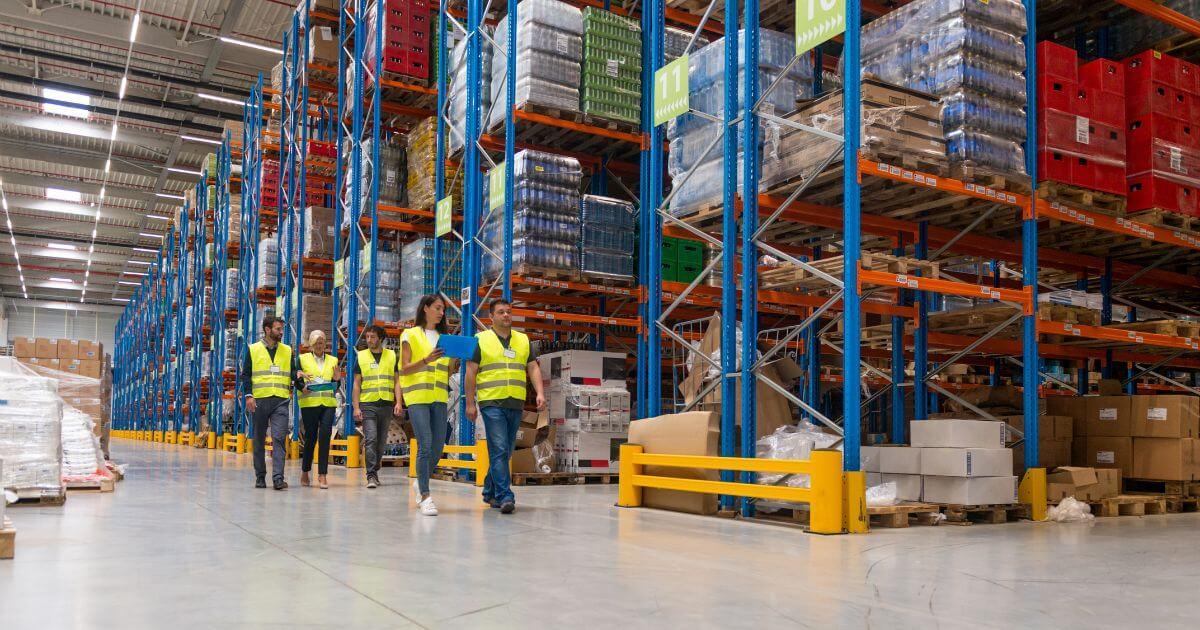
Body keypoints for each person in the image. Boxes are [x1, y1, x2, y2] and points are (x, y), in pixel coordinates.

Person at [465, 298, 546, 514]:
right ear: (491, 317)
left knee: (506, 450)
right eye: (501, 312)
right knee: (499, 448)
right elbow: (471, 373)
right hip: (491, 401)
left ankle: (489, 491)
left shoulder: (522, 340)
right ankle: (505, 495)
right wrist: (470, 403)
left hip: (515, 402)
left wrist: (540, 392)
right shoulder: (480, 340)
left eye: (509, 312)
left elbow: (533, 368)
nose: (506, 315)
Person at [400, 294, 454, 517]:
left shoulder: (445, 337)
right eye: (438, 308)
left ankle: (420, 481)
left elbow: (448, 371)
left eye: (443, 309)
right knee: (425, 444)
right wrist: (427, 360)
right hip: (417, 396)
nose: (442, 312)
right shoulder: (410, 334)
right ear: (426, 309)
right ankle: (425, 495)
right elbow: (404, 368)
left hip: (439, 396)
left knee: (438, 447)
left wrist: (455, 359)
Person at [243, 315, 304, 490]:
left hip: (281, 400)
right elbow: (246, 374)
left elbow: (291, 373)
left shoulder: (287, 350)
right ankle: (260, 476)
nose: (281, 332)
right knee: (259, 440)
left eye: (281, 329)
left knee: (278, 438)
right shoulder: (253, 349)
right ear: (267, 330)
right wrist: (249, 395)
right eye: (278, 329)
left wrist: (297, 375)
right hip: (259, 400)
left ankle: (278, 478)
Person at [352, 324, 402, 489]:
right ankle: (371, 475)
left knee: (381, 442)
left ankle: (375, 467)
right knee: (371, 438)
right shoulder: (361, 356)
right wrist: (356, 407)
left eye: (372, 337)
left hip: (386, 404)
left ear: (381, 339)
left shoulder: (391, 356)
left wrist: (399, 402)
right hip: (368, 404)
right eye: (367, 337)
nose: (369, 340)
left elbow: (396, 382)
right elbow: (357, 384)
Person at [298, 329, 343, 489]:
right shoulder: (302, 359)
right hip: (309, 403)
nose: (319, 345)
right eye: (317, 342)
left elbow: (335, 384)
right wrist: (302, 387)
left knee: (325, 437)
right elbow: (296, 378)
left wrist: (337, 380)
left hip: (328, 404)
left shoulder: (333, 360)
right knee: (310, 438)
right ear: (311, 343)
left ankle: (322, 475)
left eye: (322, 342)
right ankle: (305, 471)